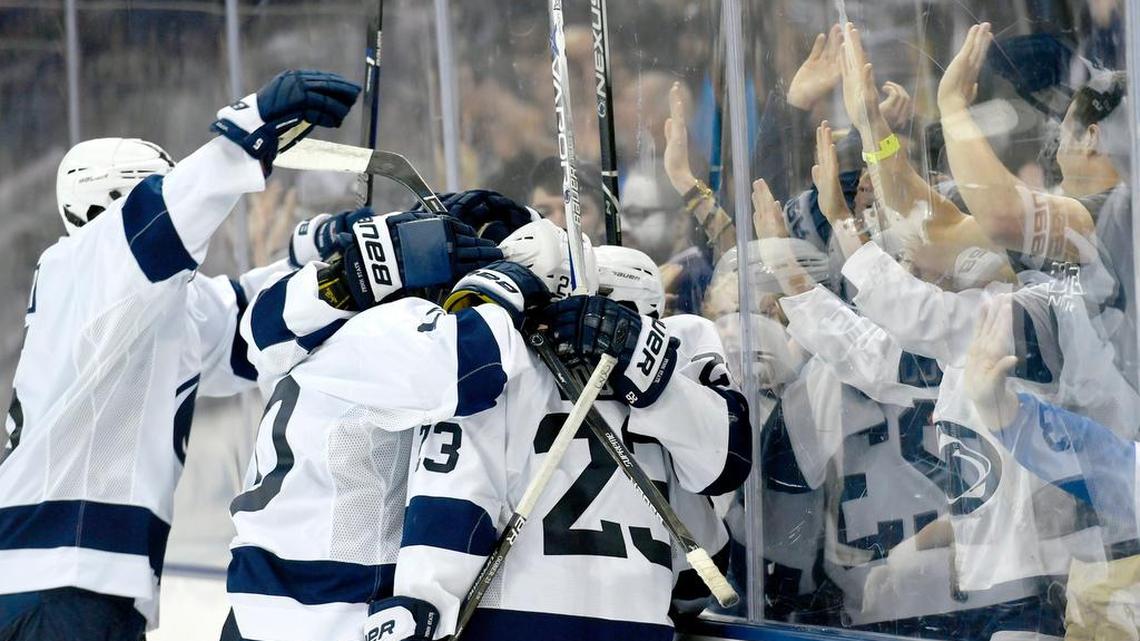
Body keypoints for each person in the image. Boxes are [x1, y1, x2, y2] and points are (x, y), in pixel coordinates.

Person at [0, 69, 360, 640]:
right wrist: (247, 128)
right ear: (109, 208)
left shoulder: (154, 314)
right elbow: (163, 215)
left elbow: (249, 327)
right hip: (58, 585)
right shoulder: (81, 268)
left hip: (87, 591)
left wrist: (323, 258)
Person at [363, 229, 751, 641]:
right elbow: (698, 569)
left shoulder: (495, 376)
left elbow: (454, 507)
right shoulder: (659, 398)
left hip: (513, 621)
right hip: (642, 620)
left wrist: (422, 604)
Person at [220, 201, 516, 641]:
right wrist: (512, 284)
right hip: (325, 607)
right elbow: (479, 367)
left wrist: (393, 252)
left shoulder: (308, 331)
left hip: (256, 599)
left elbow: (258, 329)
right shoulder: (384, 332)